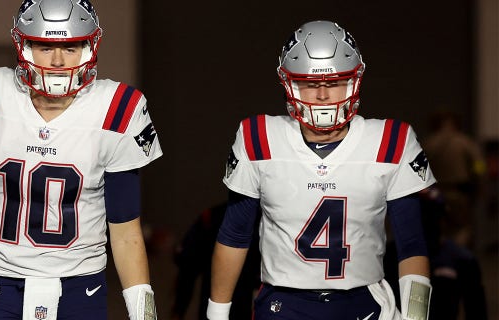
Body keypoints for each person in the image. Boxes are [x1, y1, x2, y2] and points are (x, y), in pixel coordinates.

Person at [0, 0, 161, 319]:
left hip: (81, 285)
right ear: (23, 45)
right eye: (46, 46)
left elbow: (126, 231)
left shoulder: (119, 107)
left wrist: (145, 315)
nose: (60, 60)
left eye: (72, 46)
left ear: (90, 46)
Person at [207, 20, 436, 320]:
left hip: (366, 304)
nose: (323, 96)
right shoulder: (258, 137)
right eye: (310, 83)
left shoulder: (392, 141)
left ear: (355, 81)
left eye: (334, 82)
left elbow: (412, 246)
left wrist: (416, 318)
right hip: (283, 304)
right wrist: (216, 315)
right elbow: (235, 234)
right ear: (288, 82)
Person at [384, 186, 489, 320]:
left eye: (431, 215)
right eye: (420, 216)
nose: (425, 222)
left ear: (442, 218)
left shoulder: (461, 259)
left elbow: (477, 310)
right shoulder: (389, 257)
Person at [170, 203, 261, 320]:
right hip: (213, 308)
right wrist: (178, 311)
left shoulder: (268, 225)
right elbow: (186, 272)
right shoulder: (210, 218)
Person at [423, 111, 486, 248]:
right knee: (461, 229)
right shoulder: (465, 142)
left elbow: (418, 170)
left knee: (438, 229)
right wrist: (480, 183)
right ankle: (457, 257)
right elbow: (479, 165)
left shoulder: (428, 143)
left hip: (435, 194)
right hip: (459, 193)